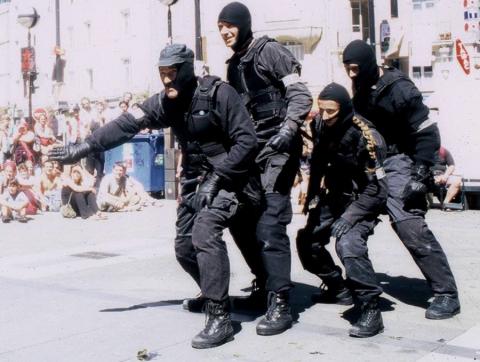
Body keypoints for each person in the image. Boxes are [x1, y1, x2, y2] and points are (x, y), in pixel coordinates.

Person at [50, 43, 265, 349]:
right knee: (184, 247)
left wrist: (218, 177)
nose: (166, 81)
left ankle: (220, 316)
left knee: (205, 233)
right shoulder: (165, 103)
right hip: (196, 182)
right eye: (162, 74)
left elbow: (247, 142)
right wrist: (81, 148)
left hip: (232, 179)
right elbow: (125, 125)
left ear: (187, 71)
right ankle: (211, 292)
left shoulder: (220, 94)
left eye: (172, 73)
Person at [342, 39, 459, 319]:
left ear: (369, 65)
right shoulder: (360, 89)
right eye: (347, 68)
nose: (351, 74)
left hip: (402, 161)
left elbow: (428, 133)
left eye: (356, 68)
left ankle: (446, 294)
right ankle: (351, 287)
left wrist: (420, 173)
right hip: (371, 166)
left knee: (409, 226)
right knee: (345, 226)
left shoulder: (399, 88)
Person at [217, 1, 313, 336]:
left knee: (271, 224)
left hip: (279, 149)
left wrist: (288, 130)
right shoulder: (234, 65)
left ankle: (281, 302)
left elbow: (301, 95)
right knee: (240, 219)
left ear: (243, 24)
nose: (225, 31)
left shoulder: (269, 51)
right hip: (252, 151)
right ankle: (264, 284)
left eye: (229, 25)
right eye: (220, 27)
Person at [296, 83, 388, 337]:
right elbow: (318, 159)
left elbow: (379, 190)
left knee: (348, 245)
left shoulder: (367, 136)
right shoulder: (319, 125)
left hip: (363, 200)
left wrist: (350, 217)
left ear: (344, 109)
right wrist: (312, 193)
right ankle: (339, 290)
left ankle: (370, 308)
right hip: (335, 196)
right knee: (307, 242)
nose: (324, 117)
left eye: (331, 112)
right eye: (321, 110)